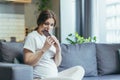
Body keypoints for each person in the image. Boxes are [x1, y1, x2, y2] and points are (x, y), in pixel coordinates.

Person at [23, 9, 85, 80]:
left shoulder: (50, 38)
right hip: (41, 78)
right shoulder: (32, 37)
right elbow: (28, 63)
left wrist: (58, 49)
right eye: (46, 23)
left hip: (55, 76)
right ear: (40, 22)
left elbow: (57, 64)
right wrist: (43, 49)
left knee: (79, 69)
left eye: (51, 25)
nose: (49, 27)